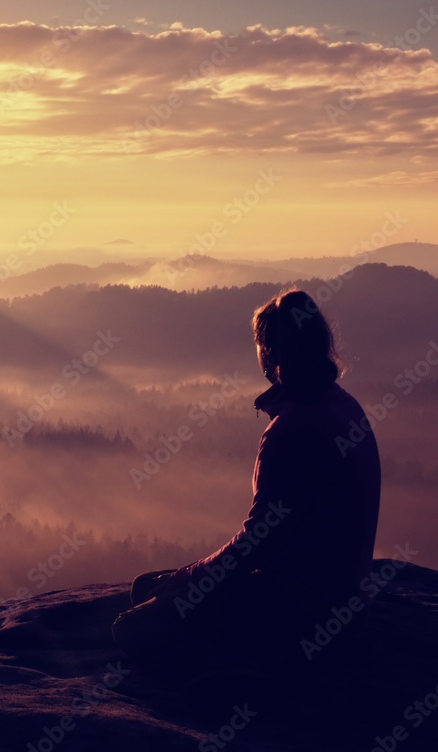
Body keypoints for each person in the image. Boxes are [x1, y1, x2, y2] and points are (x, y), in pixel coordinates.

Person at [111, 289, 382, 680]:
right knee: (147, 586)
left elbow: (256, 547)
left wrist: (186, 580)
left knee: (133, 626)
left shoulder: (292, 430)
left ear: (270, 353)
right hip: (342, 604)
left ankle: (243, 679)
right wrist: (184, 578)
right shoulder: (343, 406)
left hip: (300, 611)